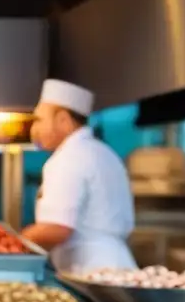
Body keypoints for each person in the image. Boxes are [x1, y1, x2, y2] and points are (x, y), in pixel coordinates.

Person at [23, 79, 137, 272]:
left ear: (63, 120)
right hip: (118, 264)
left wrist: (13, 244)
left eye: (39, 121)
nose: (34, 130)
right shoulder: (104, 152)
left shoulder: (67, 158)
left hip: (90, 270)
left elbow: (56, 229)